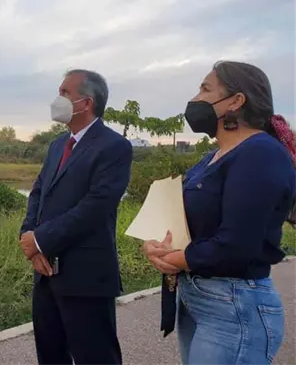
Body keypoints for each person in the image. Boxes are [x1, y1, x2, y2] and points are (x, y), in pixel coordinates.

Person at [142, 61, 296, 365]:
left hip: (233, 305)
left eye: (205, 89)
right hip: (197, 298)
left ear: (236, 101)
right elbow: (188, 224)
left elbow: (236, 244)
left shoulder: (260, 153)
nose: (196, 98)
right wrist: (156, 246)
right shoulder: (212, 158)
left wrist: (173, 259)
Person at [19, 69, 133, 365]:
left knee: (95, 357)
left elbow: (95, 207)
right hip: (45, 274)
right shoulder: (58, 145)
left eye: (64, 93)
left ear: (87, 102)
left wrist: (41, 240)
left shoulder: (114, 147)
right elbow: (38, 192)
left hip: (86, 276)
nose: (57, 99)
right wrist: (29, 238)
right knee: (50, 355)